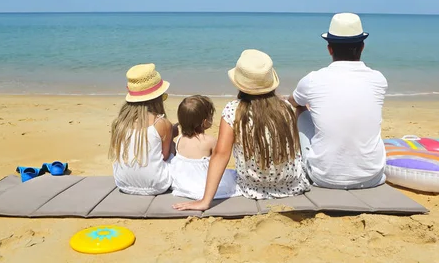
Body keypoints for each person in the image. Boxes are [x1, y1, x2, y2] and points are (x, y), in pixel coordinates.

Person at [174, 49, 310, 211]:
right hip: (290, 184)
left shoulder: (233, 111)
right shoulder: (286, 107)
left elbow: (221, 154)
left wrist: (205, 201)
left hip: (252, 186)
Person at [289, 13, 387, 189]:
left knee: (301, 110)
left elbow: (294, 102)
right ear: (362, 47)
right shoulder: (378, 79)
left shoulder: (312, 79)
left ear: (330, 49)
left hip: (323, 178)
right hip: (372, 177)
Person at [110, 63, 174, 195]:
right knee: (175, 149)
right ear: (157, 98)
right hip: (157, 185)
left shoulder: (120, 122)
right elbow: (165, 156)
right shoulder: (161, 123)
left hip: (123, 183)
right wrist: (172, 136)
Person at [170, 95, 239, 200]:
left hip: (183, 185)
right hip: (203, 186)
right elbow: (219, 161)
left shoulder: (180, 139)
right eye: (211, 115)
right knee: (233, 176)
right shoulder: (209, 141)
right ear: (205, 122)